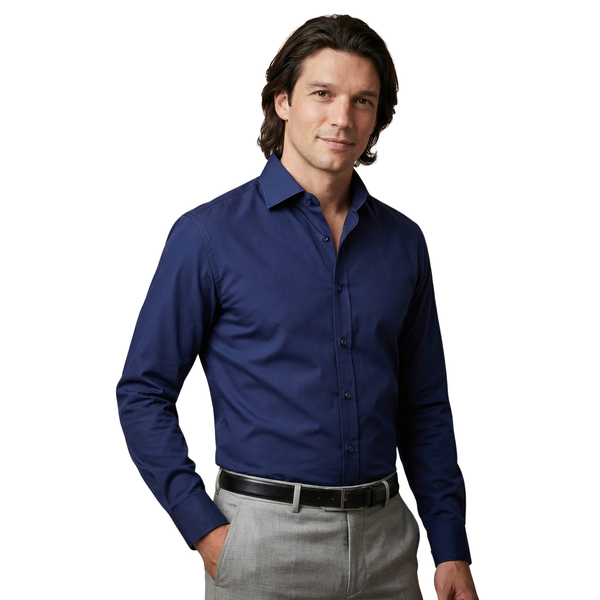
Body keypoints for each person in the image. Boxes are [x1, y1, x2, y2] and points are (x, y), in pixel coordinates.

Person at [117, 14, 478, 600]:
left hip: (387, 546)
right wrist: (203, 528)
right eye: (323, 94)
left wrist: (450, 546)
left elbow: (425, 406)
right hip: (262, 545)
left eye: (363, 101)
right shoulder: (207, 237)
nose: (343, 117)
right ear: (283, 102)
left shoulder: (403, 243)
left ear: (378, 117)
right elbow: (142, 391)